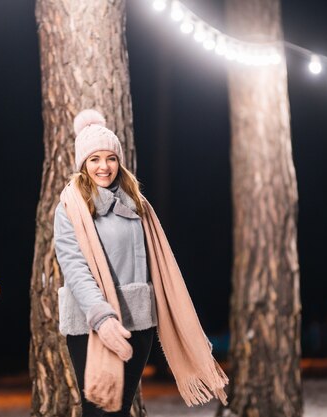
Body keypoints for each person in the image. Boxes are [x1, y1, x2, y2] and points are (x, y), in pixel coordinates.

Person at [54, 109, 228, 416]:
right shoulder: (71, 205)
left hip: (137, 323)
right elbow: (74, 265)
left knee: (119, 411)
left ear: (119, 161)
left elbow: (159, 264)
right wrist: (102, 318)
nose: (103, 166)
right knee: (97, 411)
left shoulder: (137, 203)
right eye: (94, 159)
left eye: (110, 158)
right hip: (91, 326)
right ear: (83, 164)